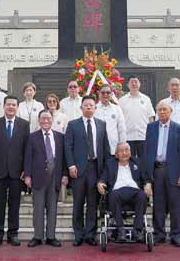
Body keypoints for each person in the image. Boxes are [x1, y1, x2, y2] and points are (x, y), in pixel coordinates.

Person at [64, 94, 110, 246]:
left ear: (95, 108)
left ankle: (90, 234)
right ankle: (78, 235)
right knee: (78, 203)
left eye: (91, 105)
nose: (89, 107)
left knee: (92, 204)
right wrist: (70, 165)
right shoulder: (72, 124)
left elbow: (105, 147)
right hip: (78, 170)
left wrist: (105, 172)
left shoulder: (102, 124)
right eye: (86, 105)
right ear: (81, 107)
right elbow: (67, 147)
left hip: (95, 168)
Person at [0, 95, 29, 248]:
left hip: (17, 174)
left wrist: (26, 169)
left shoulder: (24, 125)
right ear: (3, 107)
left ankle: (13, 234)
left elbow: (26, 150)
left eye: (14, 105)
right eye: (8, 104)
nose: (11, 107)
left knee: (14, 205)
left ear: (17, 107)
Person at [143, 101, 180, 247]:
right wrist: (148, 176)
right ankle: (159, 234)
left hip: (173, 170)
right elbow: (147, 151)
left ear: (170, 111)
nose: (162, 112)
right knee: (158, 204)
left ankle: (176, 235)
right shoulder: (151, 127)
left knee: (175, 204)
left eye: (164, 109)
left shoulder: (178, 129)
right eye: (159, 110)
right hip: (157, 170)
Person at [24, 109, 67, 248]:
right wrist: (28, 175)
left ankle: (50, 237)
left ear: (52, 120)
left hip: (55, 176)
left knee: (52, 208)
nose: (46, 121)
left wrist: (65, 175)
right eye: (43, 118)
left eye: (48, 118)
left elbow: (64, 158)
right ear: (39, 120)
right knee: (38, 208)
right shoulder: (32, 137)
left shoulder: (60, 137)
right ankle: (37, 237)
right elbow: (28, 158)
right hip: (38, 176)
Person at [98, 142, 147, 243]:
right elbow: (103, 178)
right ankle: (120, 230)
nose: (124, 153)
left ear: (130, 152)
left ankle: (137, 230)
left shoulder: (137, 162)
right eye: (121, 151)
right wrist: (100, 183)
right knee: (112, 195)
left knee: (142, 195)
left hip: (134, 192)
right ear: (116, 154)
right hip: (117, 192)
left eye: (126, 150)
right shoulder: (110, 164)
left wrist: (148, 184)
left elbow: (146, 178)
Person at [118, 76, 155, 159]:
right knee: (130, 162)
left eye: (136, 82)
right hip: (128, 137)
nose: (134, 84)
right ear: (128, 85)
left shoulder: (146, 99)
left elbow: (151, 118)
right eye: (132, 82)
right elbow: (119, 120)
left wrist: (152, 134)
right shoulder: (122, 100)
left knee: (144, 161)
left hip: (143, 136)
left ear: (139, 84)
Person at [94, 84, 127, 155]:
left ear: (112, 94)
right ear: (98, 93)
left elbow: (122, 128)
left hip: (114, 148)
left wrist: (122, 144)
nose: (105, 94)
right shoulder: (94, 109)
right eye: (103, 92)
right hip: (97, 149)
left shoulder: (117, 109)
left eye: (108, 93)